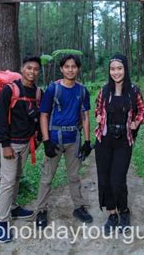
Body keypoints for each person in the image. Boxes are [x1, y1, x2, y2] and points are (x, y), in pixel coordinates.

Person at [34, 54, 93, 229]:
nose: (70, 69)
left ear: (78, 69)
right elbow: (44, 115)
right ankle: (41, 210)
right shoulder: (53, 89)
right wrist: (46, 141)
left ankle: (78, 207)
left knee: (74, 176)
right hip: (54, 138)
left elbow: (85, 116)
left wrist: (88, 141)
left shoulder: (82, 90)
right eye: (67, 66)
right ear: (61, 69)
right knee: (47, 177)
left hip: (73, 139)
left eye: (74, 66)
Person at [94, 54, 144, 235]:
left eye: (119, 68)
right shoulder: (104, 91)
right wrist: (98, 117)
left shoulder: (133, 91)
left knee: (117, 179)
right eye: (113, 69)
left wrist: (136, 122)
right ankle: (112, 214)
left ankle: (124, 211)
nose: (116, 72)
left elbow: (142, 109)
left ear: (125, 69)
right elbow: (96, 108)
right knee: (105, 179)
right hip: (104, 141)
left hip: (124, 142)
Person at [0, 56, 42, 243]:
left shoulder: (38, 92)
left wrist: (37, 138)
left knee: (16, 178)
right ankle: (2, 222)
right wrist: (5, 144)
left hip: (27, 143)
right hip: (11, 144)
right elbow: (1, 118)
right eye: (29, 67)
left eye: (36, 69)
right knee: (7, 182)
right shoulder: (10, 89)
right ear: (22, 68)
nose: (32, 71)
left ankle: (13, 208)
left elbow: (39, 117)